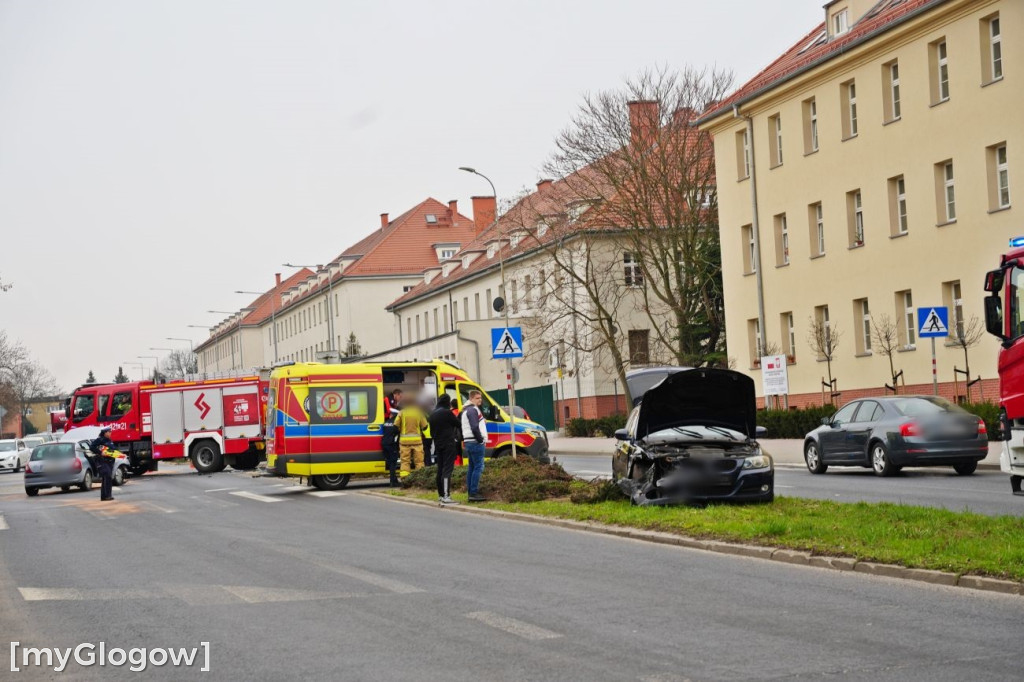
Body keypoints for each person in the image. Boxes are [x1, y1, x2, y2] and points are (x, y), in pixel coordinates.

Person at [428, 394, 461, 505]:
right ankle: (447, 496)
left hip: (438, 444)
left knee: (440, 469)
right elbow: (458, 423)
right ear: (447, 402)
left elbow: (431, 431)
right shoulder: (447, 413)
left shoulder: (432, 413)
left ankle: (441, 495)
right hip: (448, 444)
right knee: (447, 470)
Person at [460, 390, 488, 502]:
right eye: (477, 398)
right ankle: (473, 492)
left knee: (472, 467)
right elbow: (474, 427)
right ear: (471, 399)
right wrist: (481, 440)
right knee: (478, 467)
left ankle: (471, 492)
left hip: (469, 441)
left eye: (480, 398)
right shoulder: (472, 410)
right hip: (475, 442)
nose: (479, 400)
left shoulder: (466, 410)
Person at [394, 397, 428, 477]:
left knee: (405, 462)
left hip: (404, 442)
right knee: (419, 462)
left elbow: (395, 426)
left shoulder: (401, 413)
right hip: (417, 442)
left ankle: (405, 480)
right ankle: (420, 479)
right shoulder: (418, 412)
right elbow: (425, 426)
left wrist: (401, 429)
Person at [89, 426, 122, 501]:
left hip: (110, 461)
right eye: (109, 432)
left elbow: (114, 449)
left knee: (106, 477)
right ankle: (107, 496)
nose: (110, 433)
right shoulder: (99, 440)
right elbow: (92, 447)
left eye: (110, 432)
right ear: (105, 433)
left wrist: (119, 454)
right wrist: (100, 452)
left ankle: (104, 496)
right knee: (107, 476)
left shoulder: (109, 440)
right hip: (102, 460)